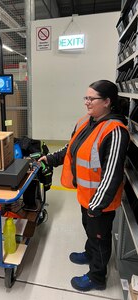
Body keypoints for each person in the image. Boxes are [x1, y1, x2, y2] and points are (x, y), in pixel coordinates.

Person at [38, 80, 130, 292]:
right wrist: (49, 159)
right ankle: (89, 254)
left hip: (100, 202)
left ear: (107, 102)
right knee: (90, 233)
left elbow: (112, 174)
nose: (87, 103)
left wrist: (96, 206)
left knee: (100, 239)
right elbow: (70, 149)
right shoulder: (87, 122)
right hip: (85, 195)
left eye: (92, 98)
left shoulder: (115, 131)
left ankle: (97, 277)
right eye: (85, 98)